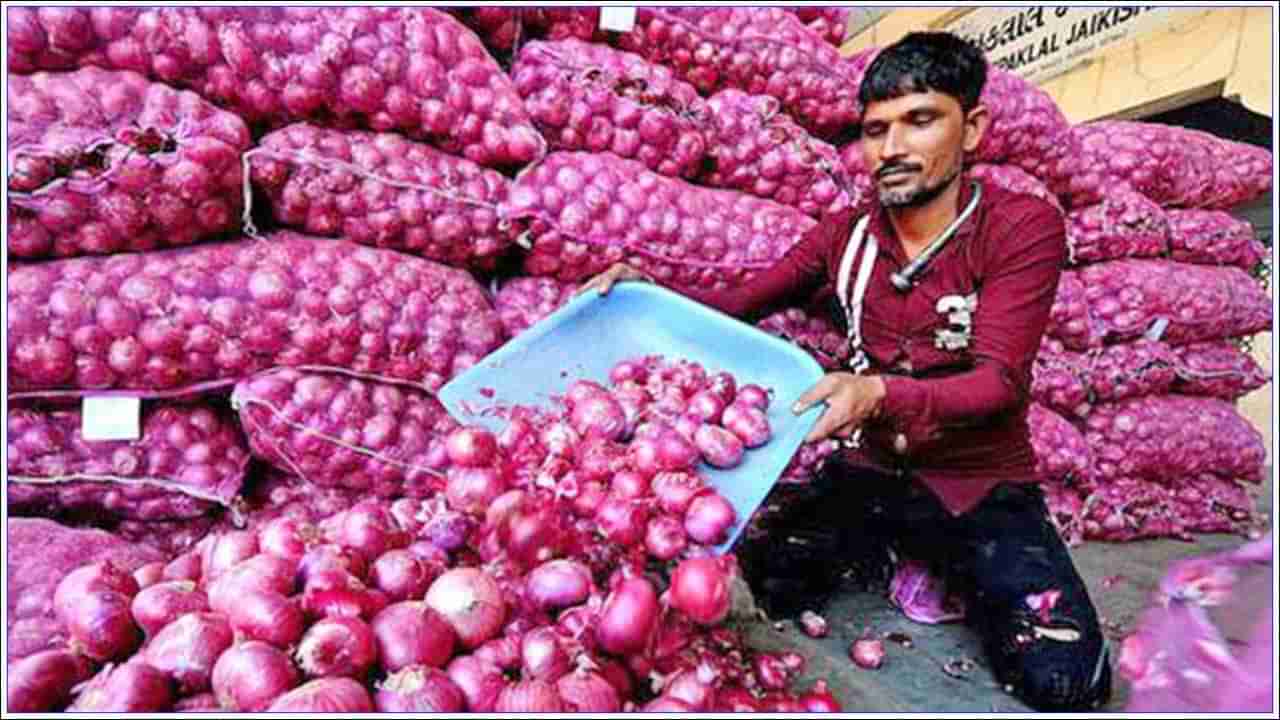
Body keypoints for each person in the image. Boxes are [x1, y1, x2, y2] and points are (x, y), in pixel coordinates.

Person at [579, 32, 1112, 712]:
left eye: (921, 120)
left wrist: (877, 392)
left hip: (978, 481)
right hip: (870, 473)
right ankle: (901, 551)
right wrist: (643, 290)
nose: (891, 149)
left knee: (1064, 683)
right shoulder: (844, 235)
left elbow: (999, 382)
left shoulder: (1019, 226)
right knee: (770, 581)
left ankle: (942, 556)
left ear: (972, 127)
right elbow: (742, 304)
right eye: (875, 130)